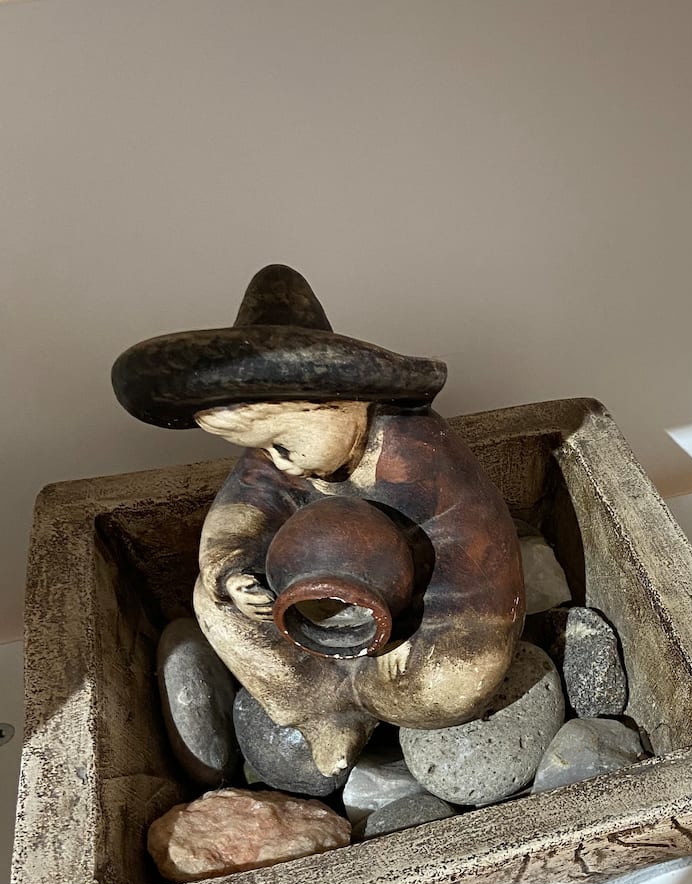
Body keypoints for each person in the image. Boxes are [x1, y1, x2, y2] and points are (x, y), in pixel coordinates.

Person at [113, 266, 525, 776]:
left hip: (428, 615)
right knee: (211, 602)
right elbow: (240, 514)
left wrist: (414, 626)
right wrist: (233, 572)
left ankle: (374, 700)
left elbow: (469, 551)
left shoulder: (417, 457)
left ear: (340, 405)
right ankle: (325, 711)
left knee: (454, 682)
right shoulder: (276, 462)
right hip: (311, 616)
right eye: (264, 449)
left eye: (282, 443)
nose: (279, 463)